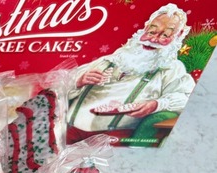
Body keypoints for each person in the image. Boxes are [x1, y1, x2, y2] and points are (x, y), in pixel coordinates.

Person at [66, 3, 195, 143]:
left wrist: (156, 104)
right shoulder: (111, 59)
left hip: (113, 140)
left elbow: (186, 98)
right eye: (151, 31)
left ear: (177, 37)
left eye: (165, 35)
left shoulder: (171, 68)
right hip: (68, 133)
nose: (153, 40)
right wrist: (78, 81)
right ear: (144, 29)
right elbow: (57, 87)